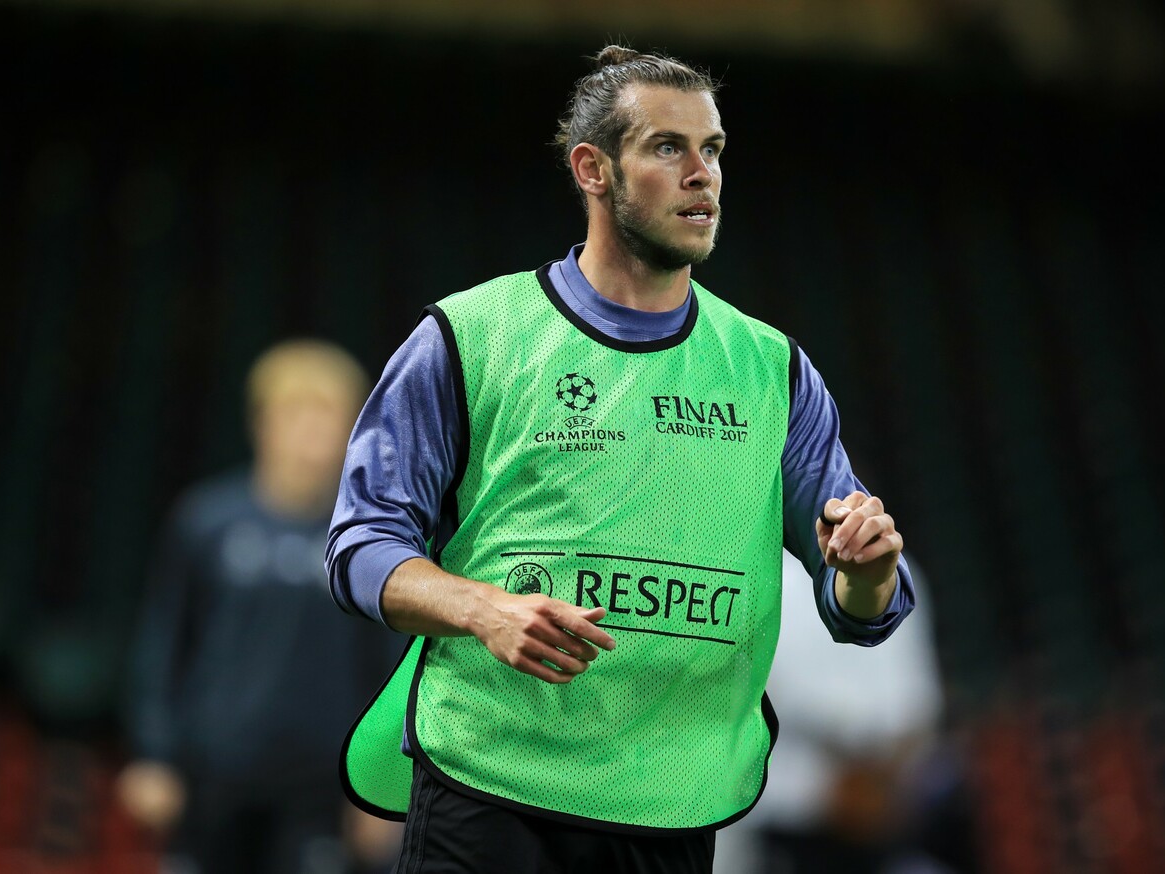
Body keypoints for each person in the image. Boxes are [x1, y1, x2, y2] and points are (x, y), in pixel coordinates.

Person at [326, 45, 917, 874]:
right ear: (593, 169)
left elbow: (860, 603)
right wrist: (484, 609)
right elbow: (360, 546)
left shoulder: (770, 368)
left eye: (712, 149)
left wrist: (867, 567)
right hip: (490, 781)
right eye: (668, 147)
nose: (702, 175)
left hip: (669, 798)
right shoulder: (473, 336)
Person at [118, 339, 404, 874]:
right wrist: (154, 755)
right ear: (262, 422)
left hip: (317, 791)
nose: (312, 435)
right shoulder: (206, 521)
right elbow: (163, 643)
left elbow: (388, 667)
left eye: (328, 418)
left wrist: (380, 784)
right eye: (297, 416)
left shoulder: (372, 542)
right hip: (209, 781)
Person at [713, 550, 962, 874]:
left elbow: (916, 712)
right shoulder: (751, 579)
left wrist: (878, 786)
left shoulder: (894, 569)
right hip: (777, 832)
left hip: (881, 816)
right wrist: (829, 791)